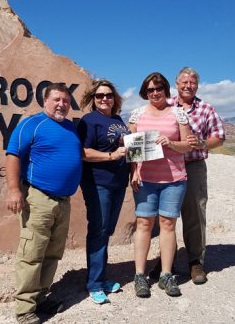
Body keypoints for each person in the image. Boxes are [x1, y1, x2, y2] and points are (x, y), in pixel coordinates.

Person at [5, 83, 83, 324]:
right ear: (45, 101)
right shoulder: (32, 124)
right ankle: (24, 308)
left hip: (63, 201)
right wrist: (13, 189)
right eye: (57, 99)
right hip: (38, 198)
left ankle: (40, 297)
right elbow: (13, 155)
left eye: (66, 101)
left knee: (52, 253)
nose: (62, 104)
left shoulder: (71, 127)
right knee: (32, 253)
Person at [128, 72, 193, 298]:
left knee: (167, 224)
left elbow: (188, 145)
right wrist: (134, 172)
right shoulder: (137, 114)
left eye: (158, 88)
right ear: (145, 93)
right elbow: (132, 149)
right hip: (145, 179)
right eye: (150, 90)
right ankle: (139, 275)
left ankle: (166, 274)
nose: (154, 93)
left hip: (174, 179)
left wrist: (172, 143)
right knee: (144, 224)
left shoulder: (178, 114)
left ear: (166, 89)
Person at [77, 79, 130, 304]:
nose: (104, 99)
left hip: (118, 183)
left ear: (114, 98)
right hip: (98, 183)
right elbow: (83, 152)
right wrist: (111, 156)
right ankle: (95, 284)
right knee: (98, 231)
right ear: (93, 99)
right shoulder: (89, 122)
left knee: (106, 231)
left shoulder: (118, 120)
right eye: (99, 96)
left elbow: (126, 147)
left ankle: (101, 277)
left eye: (108, 95)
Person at [173, 67, 225, 285]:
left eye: (192, 82)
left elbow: (219, 136)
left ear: (197, 85)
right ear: (176, 84)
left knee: (195, 213)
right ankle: (166, 261)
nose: (188, 85)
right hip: (168, 166)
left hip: (194, 166)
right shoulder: (166, 105)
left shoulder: (205, 108)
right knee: (165, 216)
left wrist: (203, 143)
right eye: (184, 82)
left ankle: (195, 261)